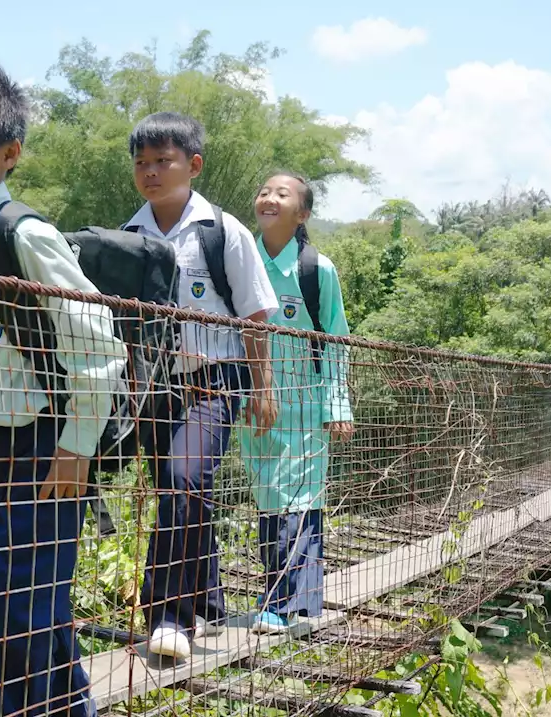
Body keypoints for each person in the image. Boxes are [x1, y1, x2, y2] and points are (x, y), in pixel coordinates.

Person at [0, 59, 126, 717]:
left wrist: (77, 445)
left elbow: (96, 340)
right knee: (22, 595)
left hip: (49, 443)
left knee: (19, 598)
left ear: (8, 154)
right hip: (2, 440)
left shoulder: (21, 235)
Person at [122, 111, 279, 661]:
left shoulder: (221, 230)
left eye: (163, 161)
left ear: (192, 164)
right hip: (153, 390)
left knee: (184, 482)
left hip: (215, 380)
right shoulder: (129, 236)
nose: (151, 172)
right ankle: (209, 603)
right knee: (179, 490)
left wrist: (263, 388)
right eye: (141, 163)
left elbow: (256, 313)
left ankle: (168, 615)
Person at [237, 171, 354, 634]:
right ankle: (302, 604)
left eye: (282, 195)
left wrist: (338, 405)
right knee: (270, 499)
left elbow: (337, 338)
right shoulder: (240, 261)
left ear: (301, 213)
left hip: (304, 406)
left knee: (294, 498)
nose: (269, 198)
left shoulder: (316, 271)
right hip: (254, 407)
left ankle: (280, 605)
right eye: (264, 190)